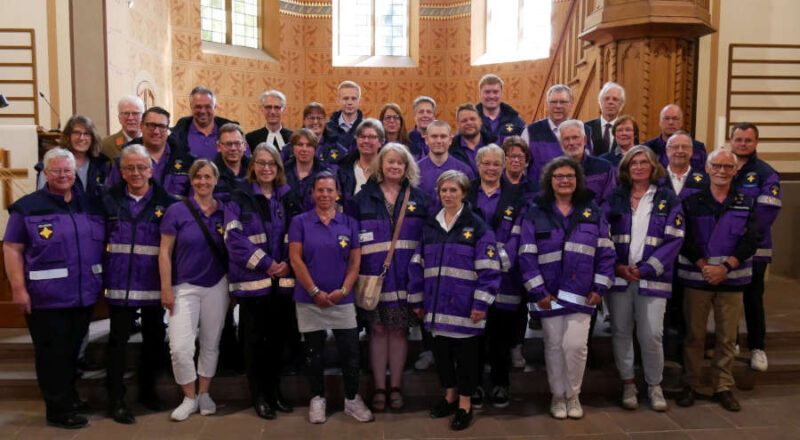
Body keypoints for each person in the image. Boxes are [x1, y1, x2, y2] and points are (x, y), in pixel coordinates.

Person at [3, 148, 105, 429]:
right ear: (45, 173)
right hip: (45, 300)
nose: (63, 175)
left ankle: (69, 398)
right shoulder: (28, 207)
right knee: (53, 356)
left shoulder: (90, 204)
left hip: (82, 295)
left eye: (68, 171)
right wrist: (18, 289)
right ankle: (58, 410)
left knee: (74, 353)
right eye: (57, 170)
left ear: (75, 173)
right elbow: (12, 248)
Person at [518, 156, 615, 420]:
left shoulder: (592, 212)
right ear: (550, 181)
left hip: (582, 293)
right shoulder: (536, 212)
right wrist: (538, 292)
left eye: (569, 176)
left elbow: (606, 254)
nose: (564, 181)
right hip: (548, 294)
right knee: (552, 346)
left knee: (575, 346)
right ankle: (557, 396)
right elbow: (526, 255)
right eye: (559, 176)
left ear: (578, 180)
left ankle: (574, 394)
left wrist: (600, 287)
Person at [408, 170, 501, 431]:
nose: (448, 195)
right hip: (436, 310)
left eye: (453, 190)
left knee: (468, 361)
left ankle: (464, 405)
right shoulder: (431, 226)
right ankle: (449, 397)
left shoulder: (478, 227)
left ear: (463, 193)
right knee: (442, 358)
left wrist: (481, 304)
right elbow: (417, 264)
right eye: (443, 191)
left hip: (466, 309)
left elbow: (490, 269)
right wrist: (417, 300)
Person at [346, 143, 429, 411]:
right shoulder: (362, 198)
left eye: (400, 163)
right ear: (381, 164)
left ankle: (397, 387)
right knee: (378, 331)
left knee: (400, 333)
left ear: (407, 168)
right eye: (390, 161)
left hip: (407, 279)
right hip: (373, 280)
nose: (394, 166)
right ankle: (380, 387)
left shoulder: (420, 198)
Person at [676, 149, 760, 412]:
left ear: (735, 171)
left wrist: (725, 267)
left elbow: (752, 239)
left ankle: (723, 386)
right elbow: (684, 239)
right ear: (708, 168)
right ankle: (691, 384)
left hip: (732, 280)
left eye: (727, 166)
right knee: (694, 336)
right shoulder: (691, 202)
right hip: (696, 278)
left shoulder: (747, 201)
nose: (722, 171)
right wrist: (704, 266)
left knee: (726, 337)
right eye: (717, 166)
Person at [288, 172, 374, 424]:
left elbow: (355, 261)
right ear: (312, 193)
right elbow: (295, 259)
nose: (325, 195)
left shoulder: (349, 223)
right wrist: (314, 291)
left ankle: (351, 398)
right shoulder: (300, 222)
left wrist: (344, 290)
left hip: (342, 300)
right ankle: (317, 399)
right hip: (308, 299)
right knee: (313, 353)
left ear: (338, 193)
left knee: (350, 351)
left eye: (330, 190)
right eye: (320, 190)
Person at [605, 145, 684, 412]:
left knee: (652, 334)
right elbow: (602, 236)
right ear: (626, 169)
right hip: (619, 277)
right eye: (633, 163)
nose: (638, 167)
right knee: (621, 332)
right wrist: (616, 266)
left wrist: (647, 268)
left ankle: (654, 385)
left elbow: (675, 239)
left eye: (643, 162)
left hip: (653, 278)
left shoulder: (667, 198)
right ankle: (628, 383)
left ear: (653, 166)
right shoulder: (615, 197)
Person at [102, 144, 177, 424]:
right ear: (121, 172)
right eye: (130, 168)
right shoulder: (108, 200)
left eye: (141, 167)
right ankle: (116, 399)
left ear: (151, 169)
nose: (136, 173)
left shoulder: (168, 202)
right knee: (117, 345)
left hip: (153, 286)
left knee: (154, 343)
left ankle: (148, 391)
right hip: (119, 286)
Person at [224, 143, 294, 419]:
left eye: (271, 164)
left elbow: (295, 232)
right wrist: (267, 264)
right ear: (252, 166)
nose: (266, 168)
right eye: (261, 163)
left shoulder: (286, 197)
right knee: (254, 342)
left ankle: (275, 391)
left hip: (282, 283)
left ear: (278, 168)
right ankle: (259, 396)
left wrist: (288, 261)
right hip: (253, 283)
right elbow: (234, 238)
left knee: (279, 341)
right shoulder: (239, 197)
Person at [159, 159, 229, 421]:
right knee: (180, 347)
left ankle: (204, 393)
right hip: (183, 286)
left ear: (215, 180)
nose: (203, 181)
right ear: (191, 180)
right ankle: (188, 397)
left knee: (211, 343)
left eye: (208, 176)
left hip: (217, 284)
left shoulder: (225, 210)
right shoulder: (177, 210)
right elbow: (164, 252)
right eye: (198, 176)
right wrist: (165, 287)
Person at [465, 144, 525, 409]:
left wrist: (499, 262)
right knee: (475, 334)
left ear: (503, 166)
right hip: (472, 273)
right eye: (485, 163)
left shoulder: (517, 196)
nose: (491, 169)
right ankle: (474, 384)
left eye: (496, 164)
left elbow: (518, 235)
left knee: (501, 333)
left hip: (505, 275)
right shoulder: (466, 193)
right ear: (478, 166)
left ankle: (501, 383)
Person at [729, 123, 781, 372]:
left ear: (756, 143)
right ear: (731, 141)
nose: (742, 144)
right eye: (738, 139)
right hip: (725, 250)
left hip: (755, 250)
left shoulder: (765, 173)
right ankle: (733, 342)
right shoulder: (722, 167)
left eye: (748, 140)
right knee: (729, 300)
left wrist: (744, 239)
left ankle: (757, 347)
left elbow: (766, 213)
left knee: (752, 298)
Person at [107, 106, 196, 197]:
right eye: (151, 126)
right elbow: (111, 197)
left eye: (162, 126)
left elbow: (195, 200)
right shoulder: (124, 160)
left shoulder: (187, 161)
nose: (156, 132)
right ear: (141, 127)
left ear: (167, 129)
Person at [522, 84, 593, 185]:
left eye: (563, 102)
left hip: (575, 196)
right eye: (553, 102)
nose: (558, 106)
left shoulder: (584, 130)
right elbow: (521, 170)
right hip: (541, 197)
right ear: (547, 105)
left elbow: (589, 166)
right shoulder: (531, 132)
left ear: (571, 104)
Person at [37, 115, 111, 196]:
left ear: (92, 137)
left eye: (86, 134)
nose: (82, 138)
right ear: (68, 136)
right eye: (76, 133)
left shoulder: (101, 163)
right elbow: (42, 197)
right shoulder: (53, 162)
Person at [168, 86, 237, 160]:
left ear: (215, 108)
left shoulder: (233, 133)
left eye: (208, 107)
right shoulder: (178, 135)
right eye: (198, 107)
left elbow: (244, 163)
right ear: (191, 107)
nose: (203, 111)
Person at [416, 120, 475, 208]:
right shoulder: (415, 170)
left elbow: (469, 204)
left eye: (443, 136)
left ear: (450, 140)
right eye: (434, 136)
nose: (439, 141)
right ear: (426, 140)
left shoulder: (465, 171)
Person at [558, 119, 615, 203]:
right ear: (561, 143)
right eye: (566, 139)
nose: (571, 143)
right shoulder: (552, 170)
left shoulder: (604, 168)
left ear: (584, 140)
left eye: (575, 137)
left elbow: (609, 202)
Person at [643, 104, 707, 171]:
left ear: (681, 122)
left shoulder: (697, 147)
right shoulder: (648, 149)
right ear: (660, 122)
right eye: (666, 118)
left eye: (675, 119)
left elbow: (703, 175)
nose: (671, 122)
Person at [284, 128, 333, 216]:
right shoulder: (282, 173)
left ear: (315, 148)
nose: (304, 149)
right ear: (293, 147)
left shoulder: (326, 175)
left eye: (309, 145)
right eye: (300, 144)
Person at [337, 118, 384, 202]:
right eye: (362, 137)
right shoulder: (344, 170)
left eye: (371, 137)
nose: (366, 141)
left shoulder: (387, 170)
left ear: (380, 142)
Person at [475, 74, 525, 145]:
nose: (491, 96)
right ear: (480, 94)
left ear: (501, 94)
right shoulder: (469, 120)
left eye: (495, 92)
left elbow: (524, 149)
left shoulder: (515, 120)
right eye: (487, 92)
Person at [449, 103, 497, 176]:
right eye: (464, 120)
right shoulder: (450, 148)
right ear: (458, 124)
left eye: (472, 119)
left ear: (480, 121)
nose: (469, 123)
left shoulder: (495, 143)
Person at [586, 82, 632, 155]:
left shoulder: (629, 130)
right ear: (600, 102)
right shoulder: (587, 127)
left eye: (615, 99)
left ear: (621, 104)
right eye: (606, 99)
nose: (610, 102)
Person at [245, 90, 293, 156]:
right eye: (268, 107)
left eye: (277, 107)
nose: (272, 112)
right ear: (262, 110)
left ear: (284, 110)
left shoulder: (294, 137)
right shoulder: (250, 138)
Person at [322, 81, 364, 155]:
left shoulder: (366, 128)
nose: (349, 102)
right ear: (338, 101)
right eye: (345, 98)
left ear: (360, 102)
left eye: (354, 99)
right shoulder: (327, 129)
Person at [213, 123, 250, 199]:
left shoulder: (255, 170)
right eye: (228, 144)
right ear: (219, 147)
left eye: (237, 143)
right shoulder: (210, 173)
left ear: (245, 146)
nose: (233, 148)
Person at [501, 135, 537, 204]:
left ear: (526, 159)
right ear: (504, 158)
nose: (516, 160)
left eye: (520, 156)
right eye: (512, 156)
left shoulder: (535, 188)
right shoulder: (494, 184)